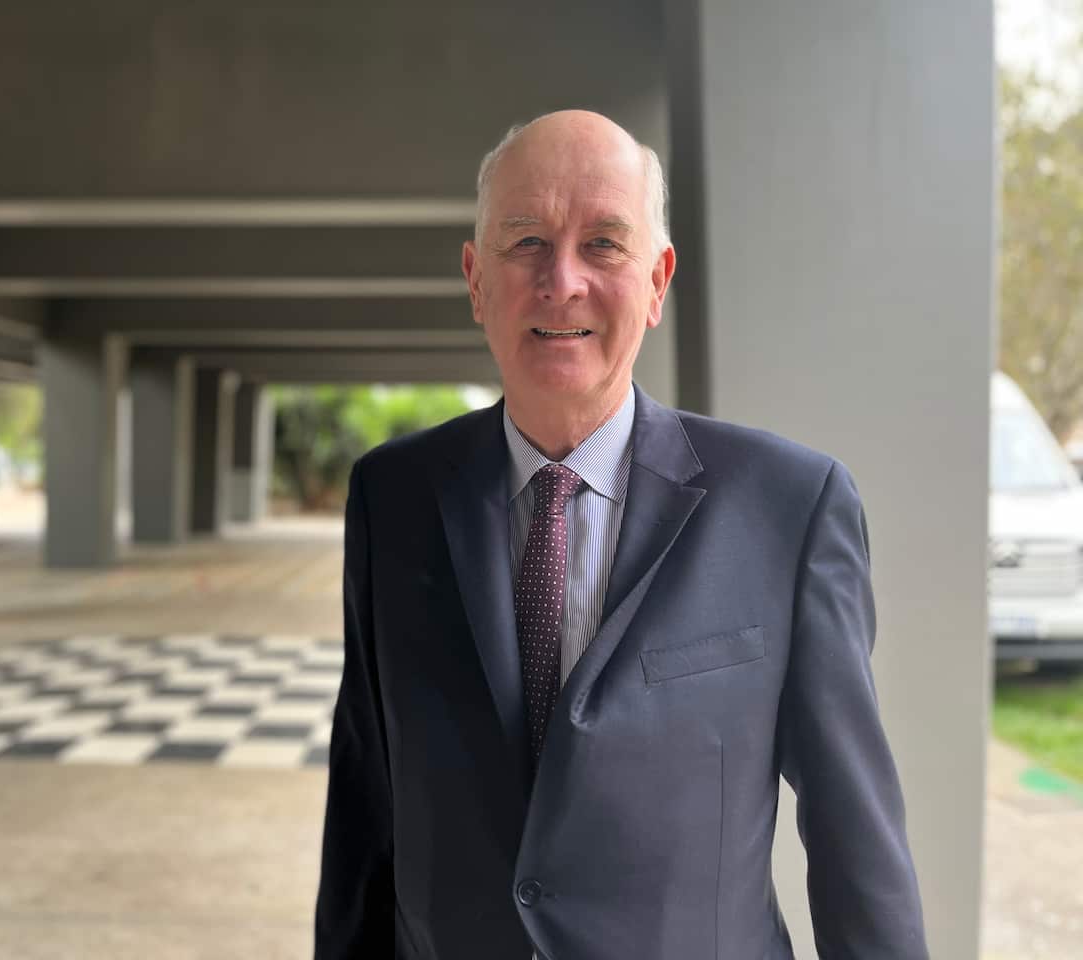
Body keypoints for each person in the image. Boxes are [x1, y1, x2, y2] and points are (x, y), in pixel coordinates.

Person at [314, 109, 928, 959]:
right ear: (475, 280)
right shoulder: (394, 498)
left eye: (603, 243)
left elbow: (853, 836)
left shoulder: (790, 507)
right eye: (524, 241)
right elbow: (365, 811)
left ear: (657, 280)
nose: (560, 281)